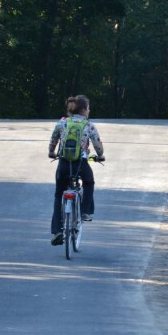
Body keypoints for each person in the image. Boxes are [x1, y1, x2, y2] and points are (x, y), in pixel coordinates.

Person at [48, 95, 104, 246]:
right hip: (81, 164)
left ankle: (57, 231)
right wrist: (100, 156)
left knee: (58, 193)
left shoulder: (63, 123)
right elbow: (97, 144)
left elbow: (54, 139)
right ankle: (85, 211)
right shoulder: (89, 125)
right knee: (89, 182)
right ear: (84, 109)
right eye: (89, 108)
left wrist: (51, 152)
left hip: (64, 164)